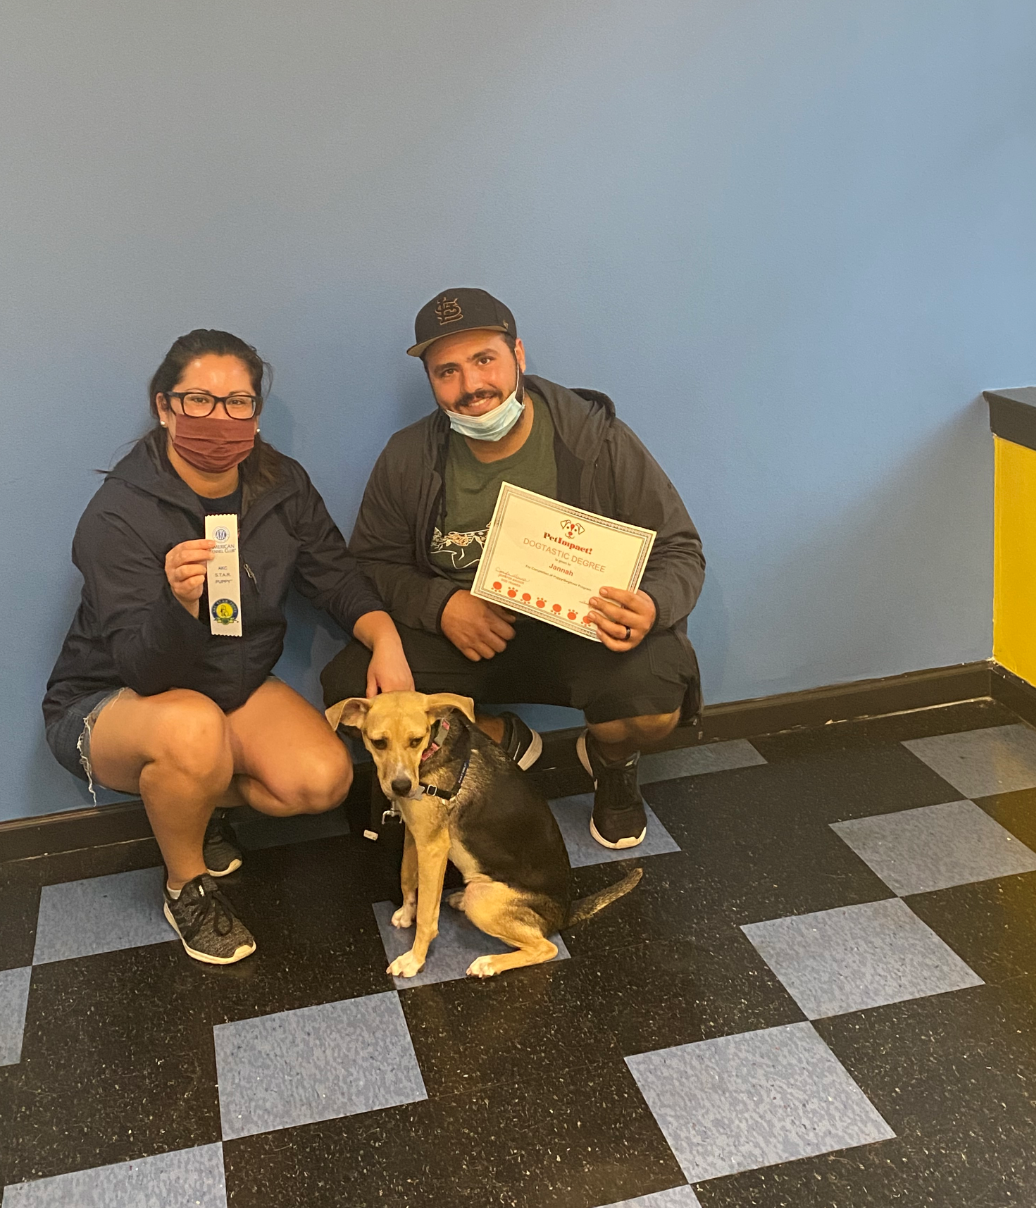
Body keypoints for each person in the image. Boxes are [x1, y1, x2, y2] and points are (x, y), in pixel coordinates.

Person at [43, 328, 412, 966]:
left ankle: (194, 801)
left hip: (228, 683)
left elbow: (335, 574)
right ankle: (185, 886)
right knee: (192, 731)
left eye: (238, 402)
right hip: (112, 698)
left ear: (255, 413)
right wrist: (176, 606)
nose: (221, 418)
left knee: (321, 781)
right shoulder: (117, 515)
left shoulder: (281, 484)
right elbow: (140, 666)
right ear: (165, 407)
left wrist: (386, 638)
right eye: (199, 401)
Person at [321, 289, 705, 850]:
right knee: (353, 684)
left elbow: (680, 549)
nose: (470, 386)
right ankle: (500, 741)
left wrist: (651, 605)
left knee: (656, 685)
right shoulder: (408, 456)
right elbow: (371, 563)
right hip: (465, 639)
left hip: (579, 635)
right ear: (430, 380)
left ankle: (612, 761)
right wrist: (442, 605)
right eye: (446, 371)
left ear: (519, 355)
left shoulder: (596, 439)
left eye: (484, 360)